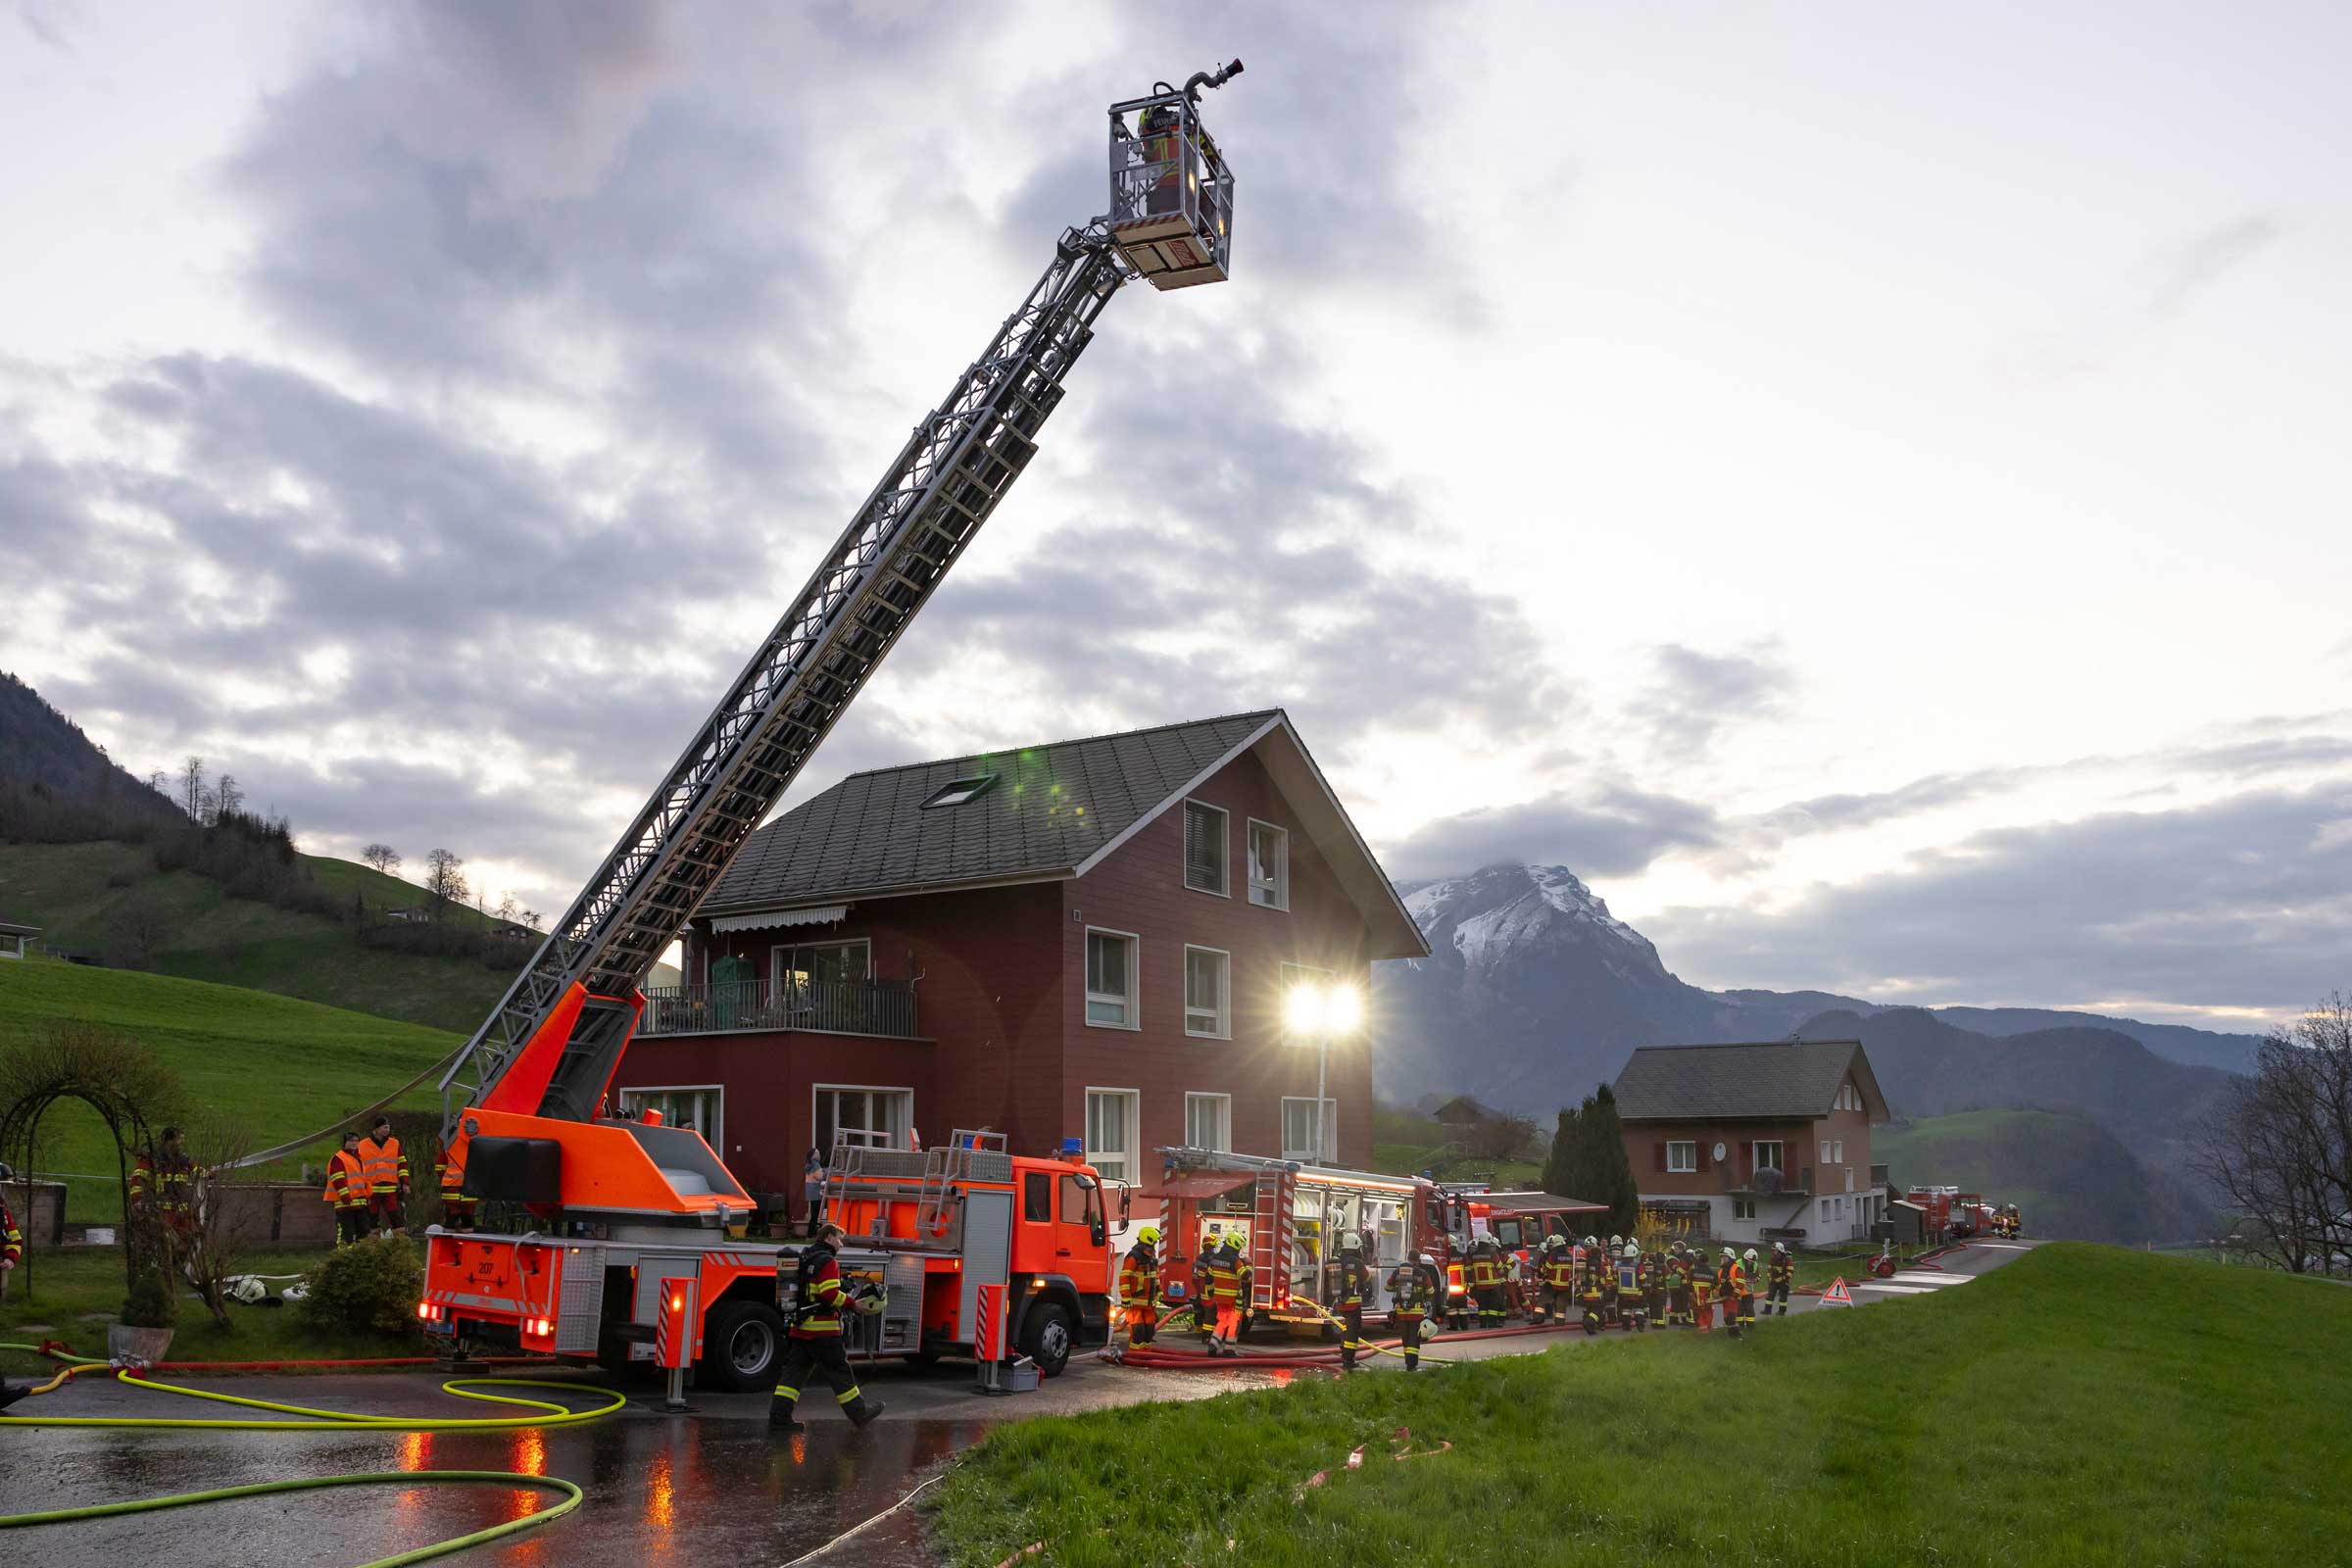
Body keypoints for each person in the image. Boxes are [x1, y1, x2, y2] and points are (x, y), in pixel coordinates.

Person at [771, 1222, 886, 1431]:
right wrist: (853, 1304)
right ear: (828, 1238)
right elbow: (828, 1293)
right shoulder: (828, 1262)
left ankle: (779, 1419)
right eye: (839, 1239)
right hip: (822, 1331)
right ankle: (860, 1414)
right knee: (839, 1371)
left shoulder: (804, 1257)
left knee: (792, 1376)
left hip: (800, 1328)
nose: (841, 1244)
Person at [1387, 1251, 1443, 1371]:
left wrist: (1398, 1288)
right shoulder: (1422, 1273)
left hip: (1401, 1312)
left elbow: (1387, 1287)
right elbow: (1431, 1292)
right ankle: (1412, 1365)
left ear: (1408, 1258)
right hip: (1416, 1313)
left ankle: (1408, 1361)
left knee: (1405, 1337)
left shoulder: (1398, 1272)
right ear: (1418, 1260)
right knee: (1414, 1338)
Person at [356, 1117, 410, 1239]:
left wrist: (405, 1182)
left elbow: (402, 1164)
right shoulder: (362, 1145)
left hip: (390, 1189)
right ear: (376, 1129)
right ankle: (373, 1248)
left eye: (389, 1127)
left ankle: (400, 1246)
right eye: (385, 1127)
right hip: (371, 1189)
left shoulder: (394, 1143)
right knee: (372, 1221)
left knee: (396, 1219)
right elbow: (356, 1166)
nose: (388, 1130)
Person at [1330, 1235, 1373, 1371]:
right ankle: (1348, 1361)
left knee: (1345, 1328)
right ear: (1355, 1247)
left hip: (1340, 1302)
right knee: (1352, 1332)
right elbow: (1368, 1277)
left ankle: (1344, 1353)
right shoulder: (1358, 1263)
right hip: (1353, 1304)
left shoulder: (1337, 1261)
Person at [1118, 1226, 1162, 1348]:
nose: (1155, 1244)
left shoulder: (1151, 1259)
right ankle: (1136, 1355)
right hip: (1135, 1302)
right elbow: (1124, 1277)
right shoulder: (1133, 1257)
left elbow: (1155, 1277)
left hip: (1148, 1303)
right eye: (1154, 1241)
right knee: (1137, 1331)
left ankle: (1145, 1355)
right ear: (1149, 1240)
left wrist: (1159, 1291)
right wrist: (1126, 1297)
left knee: (1149, 1330)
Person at [323, 1131, 368, 1245]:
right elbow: (338, 1179)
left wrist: (367, 1195)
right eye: (351, 1141)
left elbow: (362, 1179)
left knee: (364, 1232)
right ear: (345, 1143)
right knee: (346, 1233)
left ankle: (358, 1255)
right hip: (345, 1203)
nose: (354, 1143)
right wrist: (345, 1196)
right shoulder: (339, 1158)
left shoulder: (358, 1158)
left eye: (356, 1141)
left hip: (359, 1202)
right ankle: (343, 1256)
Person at [1204, 1237, 1245, 1356]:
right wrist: (1248, 1264)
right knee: (1234, 1323)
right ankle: (1229, 1349)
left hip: (1220, 1299)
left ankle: (1213, 1344)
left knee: (1222, 1321)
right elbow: (1246, 1275)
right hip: (1233, 1300)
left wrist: (1211, 1293)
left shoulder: (1214, 1259)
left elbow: (1208, 1278)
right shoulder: (1234, 1261)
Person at [435, 1127, 476, 1232]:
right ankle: (468, 1245)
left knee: (450, 1219)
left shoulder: (448, 1144)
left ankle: (448, 1245)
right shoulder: (476, 1143)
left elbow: (440, 1167)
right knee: (468, 1220)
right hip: (470, 1189)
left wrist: (446, 1178)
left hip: (451, 1188)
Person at [1468, 1236, 1507, 1328]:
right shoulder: (1493, 1254)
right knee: (1493, 1305)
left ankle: (1483, 1324)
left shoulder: (1473, 1255)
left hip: (1479, 1286)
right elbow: (1500, 1268)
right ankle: (1492, 1323)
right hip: (1493, 1285)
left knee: (1482, 1306)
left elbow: (1470, 1269)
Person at [1536, 1235, 1574, 1326]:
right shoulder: (1569, 1256)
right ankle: (1559, 1323)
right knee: (1561, 1305)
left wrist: (1541, 1270)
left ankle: (1538, 1317)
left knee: (1542, 1300)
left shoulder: (1554, 1255)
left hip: (1552, 1284)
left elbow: (1547, 1268)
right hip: (1565, 1286)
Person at [1718, 1248, 1746, 1341]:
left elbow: (1740, 1283)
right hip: (1725, 1297)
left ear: (1730, 1257)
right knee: (1727, 1318)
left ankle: (1737, 1335)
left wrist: (1734, 1296)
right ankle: (1731, 1334)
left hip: (1734, 1297)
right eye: (1721, 1257)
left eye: (1724, 1257)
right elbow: (1719, 1284)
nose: (1722, 1259)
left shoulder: (1736, 1268)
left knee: (1731, 1317)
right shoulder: (1721, 1270)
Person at [803, 1148, 826, 1238]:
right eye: (817, 1153)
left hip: (810, 1192)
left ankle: (810, 1234)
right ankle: (811, 1234)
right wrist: (825, 1173)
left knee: (814, 1214)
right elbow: (820, 1177)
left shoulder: (809, 1164)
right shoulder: (816, 1165)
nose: (819, 1155)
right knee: (816, 1215)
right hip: (816, 1192)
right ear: (813, 1155)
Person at [1766, 1243, 1793, 1316]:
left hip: (1783, 1282)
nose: (1774, 1252)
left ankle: (1782, 1312)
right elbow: (1769, 1268)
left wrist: (1782, 1279)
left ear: (1780, 1250)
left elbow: (1790, 1272)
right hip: (1773, 1280)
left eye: (1776, 1250)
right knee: (1769, 1296)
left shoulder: (1786, 1259)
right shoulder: (1772, 1258)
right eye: (1773, 1250)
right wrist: (1769, 1277)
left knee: (1783, 1298)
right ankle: (1767, 1310)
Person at [1739, 1249, 1761, 1332]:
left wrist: (1756, 1279)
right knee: (1739, 1309)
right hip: (1738, 1291)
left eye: (1752, 1262)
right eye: (1749, 1261)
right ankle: (1740, 1327)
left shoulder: (1755, 1265)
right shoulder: (1738, 1263)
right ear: (1745, 1258)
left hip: (1748, 1291)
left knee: (1750, 1309)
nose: (1751, 1263)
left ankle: (1751, 1327)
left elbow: (1759, 1275)